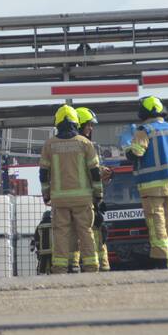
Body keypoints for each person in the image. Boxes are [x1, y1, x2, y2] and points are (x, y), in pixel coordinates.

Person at [39, 105, 103, 274]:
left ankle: (59, 268)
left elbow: (43, 174)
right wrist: (98, 195)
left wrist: (46, 195)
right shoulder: (85, 144)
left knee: (60, 234)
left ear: (57, 123)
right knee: (86, 232)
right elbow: (95, 173)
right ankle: (91, 266)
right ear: (76, 122)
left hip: (59, 200)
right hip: (83, 199)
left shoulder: (49, 145)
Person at [127, 96, 168, 269]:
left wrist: (128, 148)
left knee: (157, 222)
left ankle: (162, 261)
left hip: (152, 186)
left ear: (143, 112)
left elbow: (136, 153)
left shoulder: (145, 130)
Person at [76, 107, 112, 271]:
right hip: (86, 199)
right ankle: (96, 268)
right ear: (79, 125)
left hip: (89, 198)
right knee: (91, 235)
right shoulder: (81, 146)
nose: (91, 128)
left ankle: (100, 267)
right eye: (88, 125)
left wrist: (105, 173)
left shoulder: (87, 145)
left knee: (98, 234)